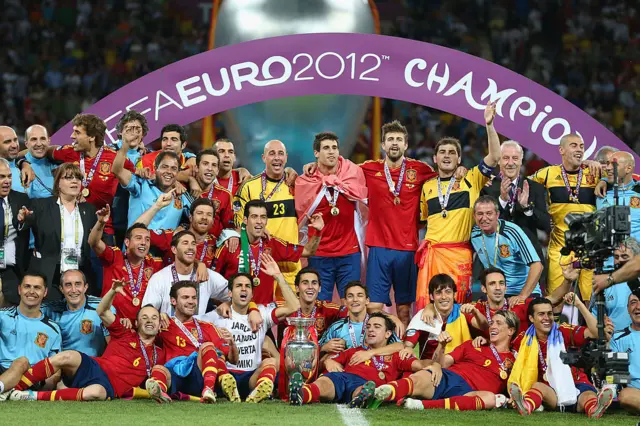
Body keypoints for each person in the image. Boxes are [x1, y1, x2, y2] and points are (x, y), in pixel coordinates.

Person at [7, 280, 167, 401]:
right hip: (95, 366)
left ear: (160, 323)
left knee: (95, 393)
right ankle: (14, 388)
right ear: (137, 323)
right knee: (66, 356)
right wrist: (112, 291)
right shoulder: (125, 332)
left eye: (154, 318)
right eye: (144, 317)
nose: (149, 321)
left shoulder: (159, 353)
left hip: (109, 387)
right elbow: (102, 311)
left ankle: (30, 396)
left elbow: (161, 375)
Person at [416, 102, 500, 307]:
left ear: (459, 158)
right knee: (430, 309)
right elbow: (423, 220)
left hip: (459, 255)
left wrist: (489, 125)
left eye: (452, 152)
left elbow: (495, 157)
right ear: (435, 158)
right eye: (442, 152)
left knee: (460, 307)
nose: (447, 155)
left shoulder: (471, 178)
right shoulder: (426, 187)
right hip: (433, 254)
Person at [359, 121, 437, 325]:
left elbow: (445, 180)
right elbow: (340, 170)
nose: (395, 143)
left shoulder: (420, 169)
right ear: (383, 145)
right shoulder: (369, 168)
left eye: (399, 140)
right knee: (373, 308)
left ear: (406, 145)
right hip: (378, 248)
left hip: (407, 249)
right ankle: (378, 351)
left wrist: (460, 170)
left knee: (404, 310)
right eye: (390, 139)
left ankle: (404, 353)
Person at [371, 310, 519, 411]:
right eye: (492, 323)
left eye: (498, 323)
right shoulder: (472, 344)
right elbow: (443, 364)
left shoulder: (516, 359)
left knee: (490, 399)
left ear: (511, 331)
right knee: (422, 377)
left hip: (473, 393)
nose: (492, 326)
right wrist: (441, 345)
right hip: (451, 378)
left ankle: (422, 405)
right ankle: (380, 393)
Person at [200, 255, 299, 402]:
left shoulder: (262, 313)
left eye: (247, 286)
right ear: (229, 293)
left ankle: (256, 394)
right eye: (238, 286)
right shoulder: (216, 316)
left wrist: (278, 276)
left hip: (251, 376)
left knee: (270, 362)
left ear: (252, 294)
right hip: (226, 374)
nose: (243, 289)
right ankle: (229, 388)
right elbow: (191, 325)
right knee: (215, 355)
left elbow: (295, 306)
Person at [289, 312, 426, 407]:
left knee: (364, 389)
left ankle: (361, 399)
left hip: (366, 383)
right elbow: (327, 362)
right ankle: (301, 393)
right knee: (326, 381)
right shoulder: (354, 350)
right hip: (343, 377)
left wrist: (435, 366)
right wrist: (327, 361)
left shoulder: (397, 355)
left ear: (388, 334)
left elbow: (420, 365)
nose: (371, 330)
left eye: (377, 327)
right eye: (368, 326)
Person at [508, 297, 614, 418]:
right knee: (537, 387)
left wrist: (579, 305)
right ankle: (526, 405)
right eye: (541, 314)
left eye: (549, 313)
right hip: (551, 392)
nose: (547, 318)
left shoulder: (563, 330)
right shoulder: (523, 339)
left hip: (576, 384)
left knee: (589, 396)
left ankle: (595, 409)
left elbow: (597, 334)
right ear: (531, 318)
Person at [39, 114, 136, 244]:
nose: (72, 136)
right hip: (72, 227)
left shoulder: (114, 158)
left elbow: (135, 178)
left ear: (91, 137)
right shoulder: (70, 152)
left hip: (103, 230)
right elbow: (41, 151)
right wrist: (23, 162)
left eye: (77, 132)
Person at [295, 133, 368, 301]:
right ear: (316, 153)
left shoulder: (353, 174)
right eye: (326, 148)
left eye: (334, 148)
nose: (331, 152)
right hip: (319, 255)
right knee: (320, 308)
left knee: (352, 305)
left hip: (349, 254)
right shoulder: (305, 181)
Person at [529, 133, 601, 302]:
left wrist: (600, 169)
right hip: (560, 249)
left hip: (589, 248)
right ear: (561, 150)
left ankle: (587, 329)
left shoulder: (594, 172)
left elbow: (623, 172)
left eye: (582, 146)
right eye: (574, 145)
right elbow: (521, 185)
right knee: (555, 301)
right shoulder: (547, 174)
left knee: (590, 301)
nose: (579, 150)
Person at [146, 281, 240, 404]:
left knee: (208, 347)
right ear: (173, 301)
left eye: (194, 298)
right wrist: (155, 316)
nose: (191, 301)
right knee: (159, 369)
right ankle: (160, 392)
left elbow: (233, 360)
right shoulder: (164, 325)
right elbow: (143, 332)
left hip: (199, 377)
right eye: (185, 297)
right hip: (176, 377)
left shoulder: (208, 327)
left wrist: (232, 344)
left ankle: (208, 390)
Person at [216, 199, 323, 304]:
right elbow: (213, 284)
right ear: (245, 220)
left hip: (263, 314)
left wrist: (318, 231)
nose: (259, 221)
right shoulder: (230, 245)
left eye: (263, 217)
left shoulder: (272, 244)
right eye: (254, 217)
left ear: (267, 220)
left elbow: (308, 251)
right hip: (234, 313)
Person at [18, 163, 98, 300]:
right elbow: (27, 220)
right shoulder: (42, 205)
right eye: (68, 178)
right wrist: (23, 218)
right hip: (49, 272)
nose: (74, 181)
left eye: (78, 178)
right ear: (58, 183)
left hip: (79, 271)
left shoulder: (89, 210)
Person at [234, 140, 301, 289]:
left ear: (286, 158)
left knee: (292, 310)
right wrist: (251, 230)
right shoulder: (249, 186)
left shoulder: (296, 185)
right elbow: (237, 225)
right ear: (264, 158)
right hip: (260, 266)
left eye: (280, 153)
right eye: (272, 153)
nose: (277, 157)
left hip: (290, 267)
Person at [481, 140, 551, 269]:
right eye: (506, 158)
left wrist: (527, 208)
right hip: (497, 259)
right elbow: (484, 223)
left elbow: (546, 224)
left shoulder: (534, 188)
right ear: (499, 161)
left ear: (521, 161)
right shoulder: (488, 187)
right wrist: (502, 200)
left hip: (528, 259)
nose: (511, 163)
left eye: (515, 158)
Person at [89, 205, 164, 322]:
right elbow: (94, 242)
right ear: (127, 242)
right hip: (112, 325)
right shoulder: (115, 257)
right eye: (138, 238)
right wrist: (100, 223)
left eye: (147, 239)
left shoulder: (154, 264)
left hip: (141, 327)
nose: (144, 243)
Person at [470, 195, 543, 303]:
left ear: (497, 215)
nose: (484, 218)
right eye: (480, 214)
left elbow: (537, 266)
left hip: (523, 292)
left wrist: (522, 296)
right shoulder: (474, 234)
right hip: (496, 293)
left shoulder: (512, 232)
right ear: (474, 216)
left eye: (489, 213)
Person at [142, 230, 228, 317]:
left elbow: (236, 294)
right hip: (170, 329)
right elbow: (147, 311)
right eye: (185, 243)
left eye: (193, 244)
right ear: (174, 249)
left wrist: (228, 304)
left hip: (197, 329)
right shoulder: (159, 278)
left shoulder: (206, 275)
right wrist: (159, 317)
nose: (190, 247)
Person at [0, 274, 61, 394]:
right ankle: (7, 390)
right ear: (19, 289)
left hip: (31, 378)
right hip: (2, 370)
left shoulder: (53, 329)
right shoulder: (3, 317)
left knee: (21, 362)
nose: (31, 291)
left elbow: (56, 366)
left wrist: (45, 390)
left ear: (45, 292)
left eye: (37, 287)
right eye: (27, 286)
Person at [405, 274, 488, 360]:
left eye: (448, 292)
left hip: (461, 367)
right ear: (431, 296)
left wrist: (476, 312)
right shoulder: (423, 316)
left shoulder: (462, 311)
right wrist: (408, 350)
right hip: (430, 368)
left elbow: (484, 327)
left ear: (454, 294)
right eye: (438, 293)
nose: (444, 297)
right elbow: (408, 345)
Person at [114, 143, 191, 232]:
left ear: (178, 172)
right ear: (155, 168)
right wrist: (125, 143)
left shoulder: (182, 195)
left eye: (173, 168)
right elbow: (117, 170)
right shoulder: (140, 185)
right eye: (164, 167)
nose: (169, 171)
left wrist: (184, 226)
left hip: (166, 245)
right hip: (136, 244)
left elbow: (200, 215)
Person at [43, 269, 114, 357]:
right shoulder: (52, 310)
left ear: (85, 287)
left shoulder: (101, 307)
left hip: (94, 366)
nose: (73, 290)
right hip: (63, 366)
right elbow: (28, 312)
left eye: (78, 284)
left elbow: (115, 343)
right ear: (61, 289)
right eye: (68, 285)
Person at [319, 281, 402, 355]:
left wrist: (370, 353)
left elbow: (399, 346)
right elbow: (318, 347)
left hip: (375, 370)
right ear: (345, 302)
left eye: (360, 295)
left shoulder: (379, 324)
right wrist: (324, 348)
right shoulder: (336, 327)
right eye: (350, 296)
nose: (355, 299)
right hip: (346, 370)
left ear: (367, 300)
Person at [136, 194, 218, 269]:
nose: (204, 217)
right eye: (200, 213)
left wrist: (231, 235)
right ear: (190, 217)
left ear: (213, 221)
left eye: (209, 214)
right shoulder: (173, 236)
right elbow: (136, 231)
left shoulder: (216, 243)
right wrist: (157, 206)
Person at [111, 111, 149, 247]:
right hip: (114, 213)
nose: (134, 133)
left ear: (143, 133)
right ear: (120, 132)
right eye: (129, 129)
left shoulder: (150, 155)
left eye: (138, 129)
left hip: (140, 214)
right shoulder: (109, 151)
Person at [0, 158, 31, 305]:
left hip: (13, 269)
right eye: (1, 177)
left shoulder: (21, 199)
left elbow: (25, 230)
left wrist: (21, 222)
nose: (7, 181)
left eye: (9, 176)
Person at [591, 239, 639, 331]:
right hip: (613, 342)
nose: (619, 260)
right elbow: (594, 315)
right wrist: (601, 322)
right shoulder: (604, 283)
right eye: (616, 257)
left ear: (635, 259)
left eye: (624, 256)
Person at [188, 149, 234, 239]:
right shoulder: (184, 188)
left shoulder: (225, 195)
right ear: (197, 168)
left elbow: (229, 227)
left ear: (217, 171)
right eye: (205, 164)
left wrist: (232, 236)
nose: (210, 168)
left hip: (211, 249)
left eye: (214, 165)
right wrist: (190, 179)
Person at [597, 151, 640, 241]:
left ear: (628, 168)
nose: (608, 168)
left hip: (636, 253)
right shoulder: (600, 190)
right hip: (607, 253)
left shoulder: (638, 190)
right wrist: (604, 180)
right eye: (608, 164)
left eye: (614, 164)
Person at [610, 292, 640, 414]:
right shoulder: (617, 338)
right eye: (633, 302)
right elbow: (616, 374)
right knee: (625, 395)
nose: (638, 306)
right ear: (627, 309)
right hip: (635, 392)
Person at [24, 125, 58, 199]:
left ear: (48, 141)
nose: (39, 144)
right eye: (34, 139)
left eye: (43, 139)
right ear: (26, 144)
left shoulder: (58, 163)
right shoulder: (20, 167)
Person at [0, 126, 35, 193]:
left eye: (15, 140)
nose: (14, 145)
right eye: (7, 142)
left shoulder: (25, 166)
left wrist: (24, 162)